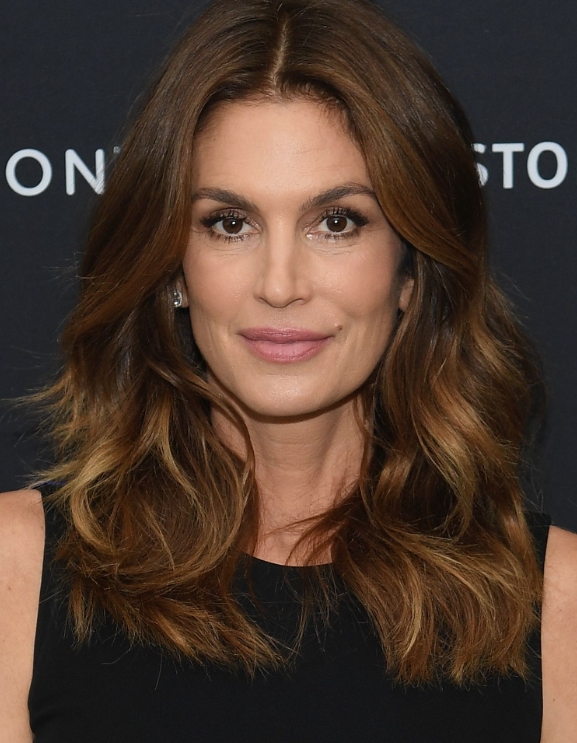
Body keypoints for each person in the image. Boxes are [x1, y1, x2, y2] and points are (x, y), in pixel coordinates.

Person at [1, 0, 576, 740]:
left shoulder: (555, 601)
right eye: (229, 223)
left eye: (336, 222)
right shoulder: (18, 573)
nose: (279, 284)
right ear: (173, 266)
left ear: (410, 270)